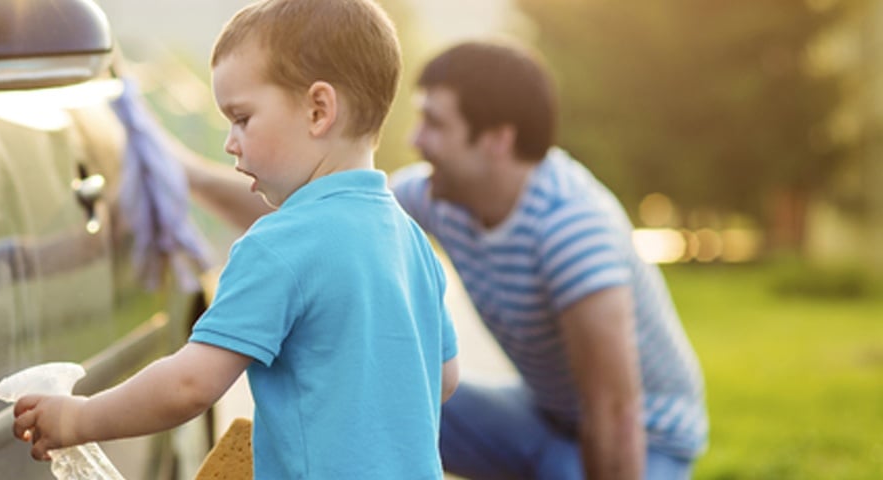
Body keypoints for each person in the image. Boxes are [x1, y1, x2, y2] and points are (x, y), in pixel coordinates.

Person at [179, 40, 708, 479]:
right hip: (541, 416)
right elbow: (317, 214)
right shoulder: (443, 194)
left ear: (498, 139)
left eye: (434, 123)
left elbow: (614, 411)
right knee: (383, 386)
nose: (415, 140)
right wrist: (186, 174)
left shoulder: (572, 230)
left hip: (645, 440)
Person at [11, 1, 460, 478]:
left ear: (318, 109)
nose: (230, 142)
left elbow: (189, 384)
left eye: (242, 118)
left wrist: (79, 417)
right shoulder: (408, 238)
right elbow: (445, 379)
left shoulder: (282, 243)